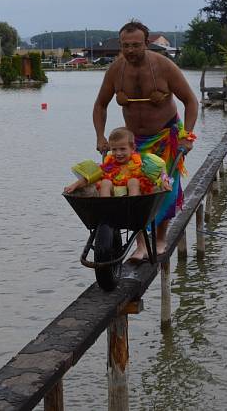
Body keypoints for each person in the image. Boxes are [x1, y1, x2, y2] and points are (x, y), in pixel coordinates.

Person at [92, 20, 199, 261]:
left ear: (146, 43)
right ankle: (141, 245)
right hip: (133, 142)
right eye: (125, 45)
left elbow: (191, 101)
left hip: (165, 136)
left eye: (136, 45)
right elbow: (100, 105)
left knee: (163, 187)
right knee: (134, 190)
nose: (130, 50)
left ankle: (160, 239)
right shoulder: (115, 70)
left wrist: (187, 137)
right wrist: (100, 136)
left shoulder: (164, 66)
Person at [64, 127, 169, 197]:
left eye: (123, 149)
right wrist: (75, 185)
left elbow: (161, 167)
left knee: (133, 181)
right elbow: (90, 177)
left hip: (136, 196)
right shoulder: (109, 164)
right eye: (114, 149)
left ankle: (134, 206)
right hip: (114, 197)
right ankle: (106, 208)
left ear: (133, 148)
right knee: (105, 182)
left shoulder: (141, 160)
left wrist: (165, 181)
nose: (118, 153)